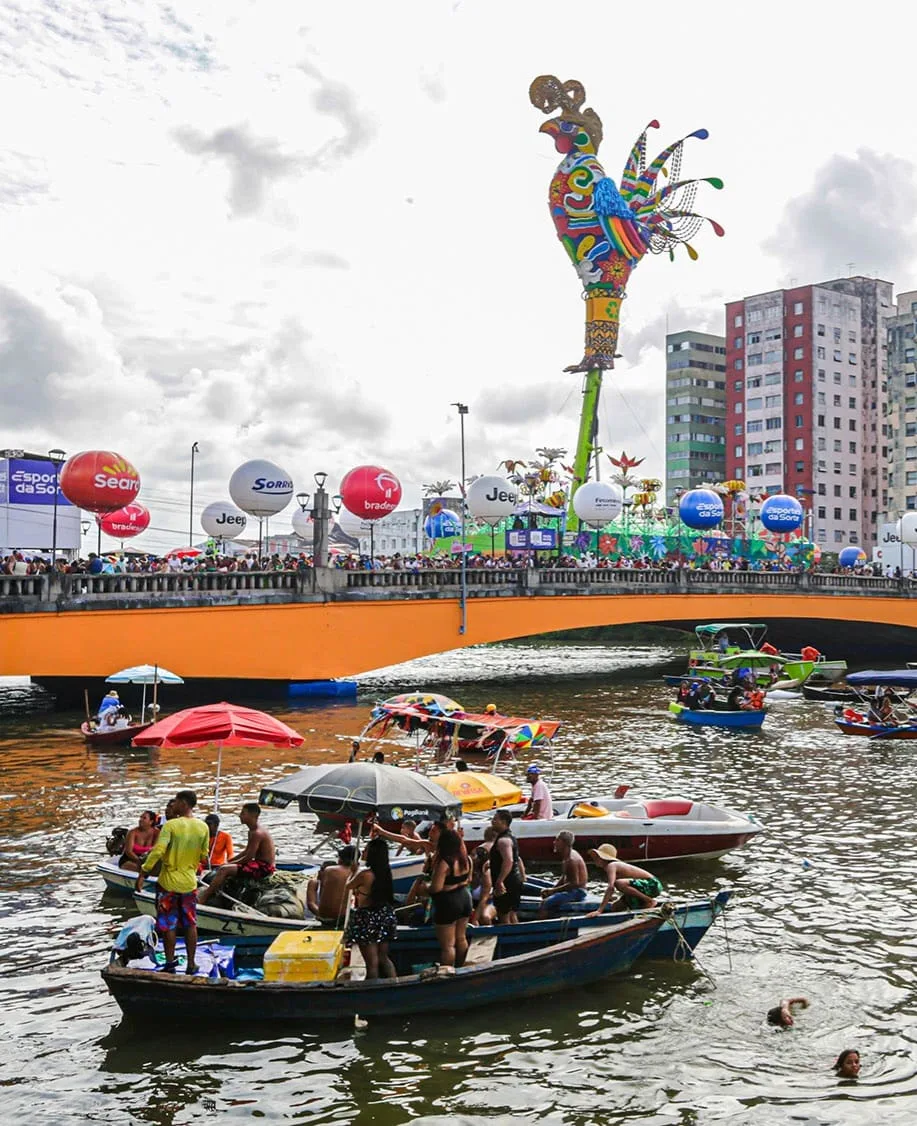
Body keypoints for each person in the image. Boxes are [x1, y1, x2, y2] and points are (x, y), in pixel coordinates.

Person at [136, 790, 210, 974]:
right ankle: (191, 964)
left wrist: (143, 872)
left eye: (176, 802)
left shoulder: (171, 826)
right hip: (189, 883)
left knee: (168, 924)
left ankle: (170, 963)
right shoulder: (203, 827)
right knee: (190, 924)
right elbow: (203, 856)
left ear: (184, 804)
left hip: (168, 883)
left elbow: (158, 851)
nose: (173, 805)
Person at [198, 802, 276, 905]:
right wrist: (230, 861)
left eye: (243, 813)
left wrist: (228, 865)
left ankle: (204, 898)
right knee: (225, 866)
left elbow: (248, 857)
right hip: (258, 863)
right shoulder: (252, 831)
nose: (240, 815)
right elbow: (246, 851)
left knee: (224, 870)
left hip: (264, 867)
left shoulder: (257, 833)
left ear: (253, 816)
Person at [344, 837, 397, 979]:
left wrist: (353, 871)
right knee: (384, 958)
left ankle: (373, 990)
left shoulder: (364, 875)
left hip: (367, 918)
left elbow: (348, 885)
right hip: (385, 915)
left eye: (366, 849)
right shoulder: (386, 873)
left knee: (371, 963)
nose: (363, 851)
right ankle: (394, 983)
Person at [426, 827, 472, 967]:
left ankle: (447, 972)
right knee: (461, 938)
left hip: (448, 903)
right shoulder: (466, 859)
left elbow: (436, 888)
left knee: (448, 945)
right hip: (465, 898)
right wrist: (455, 885)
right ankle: (461, 968)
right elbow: (467, 880)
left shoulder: (445, 862)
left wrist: (425, 887)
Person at [585, 844, 664, 915]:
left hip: (652, 885)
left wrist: (599, 910)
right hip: (643, 888)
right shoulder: (611, 867)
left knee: (619, 883)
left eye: (596, 857)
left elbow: (611, 887)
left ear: (603, 858)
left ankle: (649, 901)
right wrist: (610, 899)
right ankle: (643, 904)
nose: (594, 859)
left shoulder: (611, 865)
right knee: (615, 907)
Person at [539, 831, 587, 917]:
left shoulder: (571, 860)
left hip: (577, 892)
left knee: (545, 903)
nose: (554, 842)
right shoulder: (567, 856)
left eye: (557, 840)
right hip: (572, 890)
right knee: (547, 896)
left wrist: (553, 891)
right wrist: (553, 889)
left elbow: (574, 883)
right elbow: (564, 876)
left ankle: (541, 927)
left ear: (564, 843)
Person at [490, 809, 525, 924]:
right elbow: (517, 859)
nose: (492, 821)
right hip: (514, 880)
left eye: (495, 819)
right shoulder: (510, 837)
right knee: (511, 913)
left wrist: (500, 881)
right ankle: (518, 937)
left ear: (503, 822)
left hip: (507, 882)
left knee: (503, 914)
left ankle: (507, 937)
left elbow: (509, 860)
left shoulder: (503, 841)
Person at [306, 845, 357, 924]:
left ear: (340, 859)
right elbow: (311, 903)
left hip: (329, 917)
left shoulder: (331, 871)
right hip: (330, 916)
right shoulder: (315, 882)